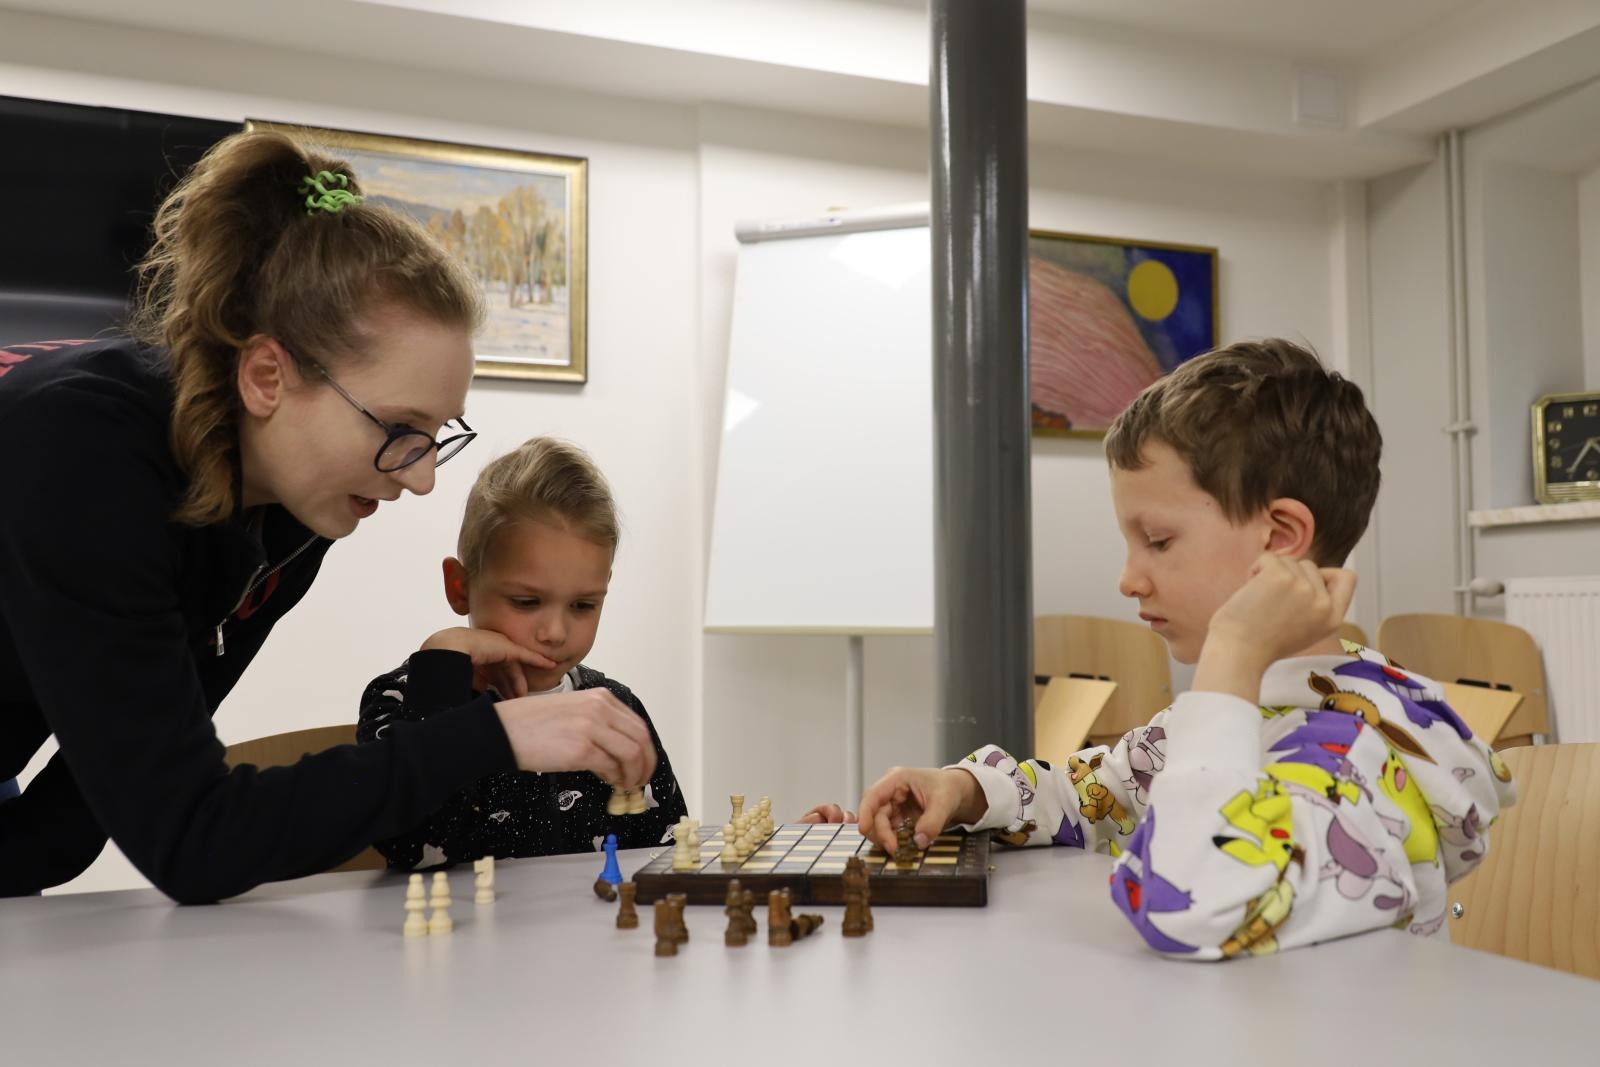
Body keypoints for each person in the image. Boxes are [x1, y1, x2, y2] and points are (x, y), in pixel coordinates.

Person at [0, 131, 655, 902]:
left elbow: (103, 807)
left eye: (437, 436)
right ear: (268, 375)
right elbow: (192, 837)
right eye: (398, 430)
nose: (418, 479)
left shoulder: (296, 510)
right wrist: (493, 735)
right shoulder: (83, 452)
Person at [849, 339, 1515, 959]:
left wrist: (1235, 645)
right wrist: (963, 790)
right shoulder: (1225, 720)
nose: (1128, 577)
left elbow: (1196, 905)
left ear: (1280, 536)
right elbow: (1090, 795)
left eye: (1159, 541)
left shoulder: (1366, 757)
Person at [357, 436, 687, 866]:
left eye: (583, 605)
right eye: (527, 603)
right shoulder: (405, 698)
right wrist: (443, 657)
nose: (554, 632)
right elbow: (414, 847)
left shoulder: (613, 707)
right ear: (460, 587)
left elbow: (667, 850)